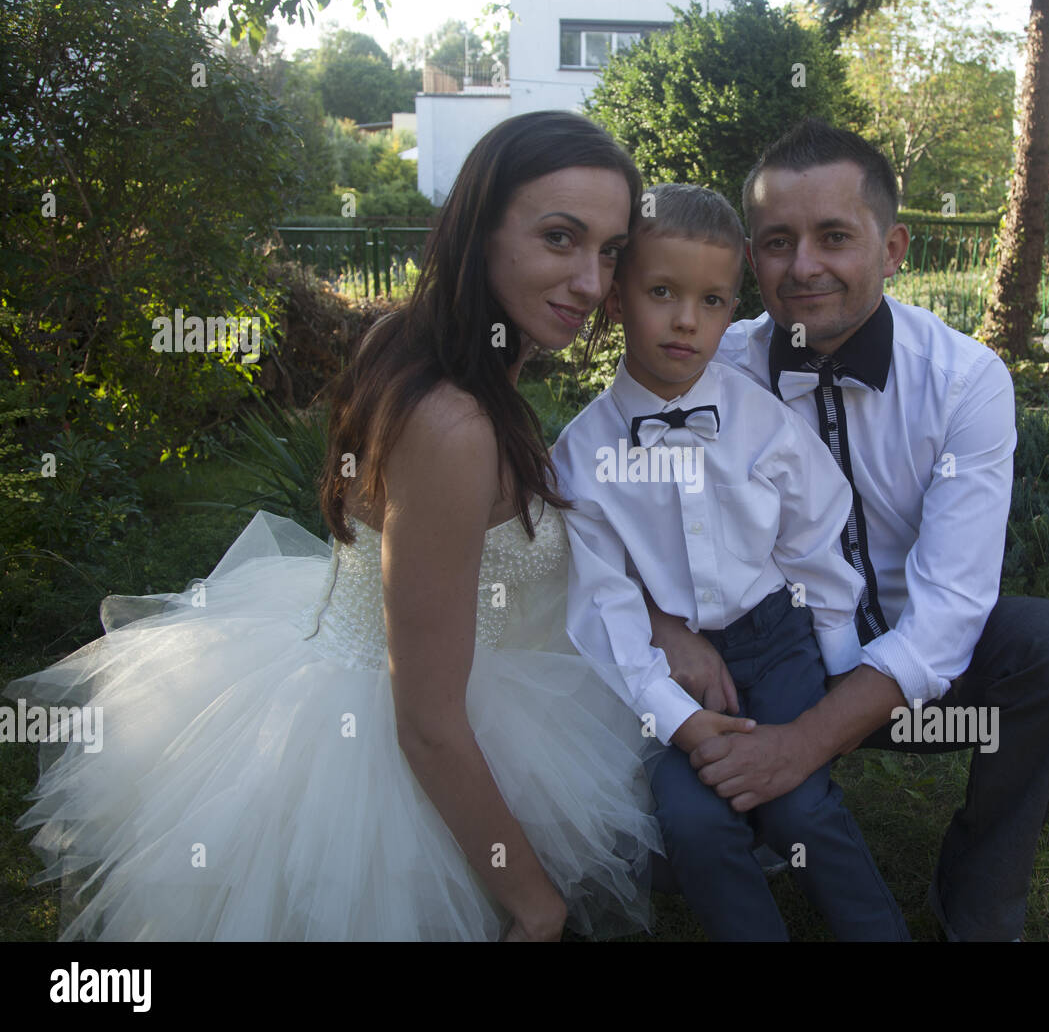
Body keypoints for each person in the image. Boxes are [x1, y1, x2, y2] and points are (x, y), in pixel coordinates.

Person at [3, 110, 662, 942]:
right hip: (400, 742)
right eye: (560, 238)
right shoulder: (457, 426)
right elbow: (425, 723)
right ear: (479, 232)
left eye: (609, 252)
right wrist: (536, 902)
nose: (591, 283)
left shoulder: (403, 339)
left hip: (337, 657)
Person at [646, 119, 1049, 942]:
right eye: (777, 243)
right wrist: (663, 630)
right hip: (761, 668)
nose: (804, 268)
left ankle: (978, 896)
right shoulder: (705, 373)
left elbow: (950, 613)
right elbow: (590, 504)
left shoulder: (965, 382)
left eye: (834, 237)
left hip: (920, 688)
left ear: (892, 247)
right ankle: (749, 825)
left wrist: (804, 745)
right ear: (751, 258)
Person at [551, 183, 909, 941]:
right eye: (661, 292)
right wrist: (682, 724)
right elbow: (607, 611)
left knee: (798, 804)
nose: (688, 320)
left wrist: (840, 658)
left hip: (776, 642)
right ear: (615, 299)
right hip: (664, 665)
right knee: (691, 818)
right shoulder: (582, 457)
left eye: (714, 302)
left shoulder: (758, 418)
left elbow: (814, 535)